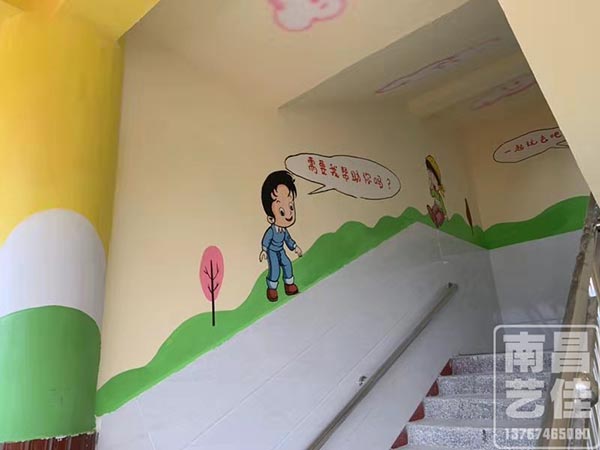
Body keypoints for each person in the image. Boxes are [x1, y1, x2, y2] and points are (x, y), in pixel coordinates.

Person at [259, 171, 303, 302]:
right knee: (275, 269)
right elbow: (266, 240)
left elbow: (288, 240)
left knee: (287, 264)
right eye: (282, 212)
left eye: (291, 207)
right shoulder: (272, 230)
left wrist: (295, 247)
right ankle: (272, 289)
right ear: (270, 217)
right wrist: (264, 250)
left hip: (281, 251)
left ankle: (289, 285)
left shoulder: (284, 231)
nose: (289, 215)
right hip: (272, 251)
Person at [426, 155, 447, 228]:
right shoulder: (436, 193)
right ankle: (435, 217)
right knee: (435, 208)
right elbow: (433, 194)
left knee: (436, 209)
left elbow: (436, 196)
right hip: (437, 206)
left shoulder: (438, 195)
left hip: (439, 207)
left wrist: (444, 213)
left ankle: (436, 220)